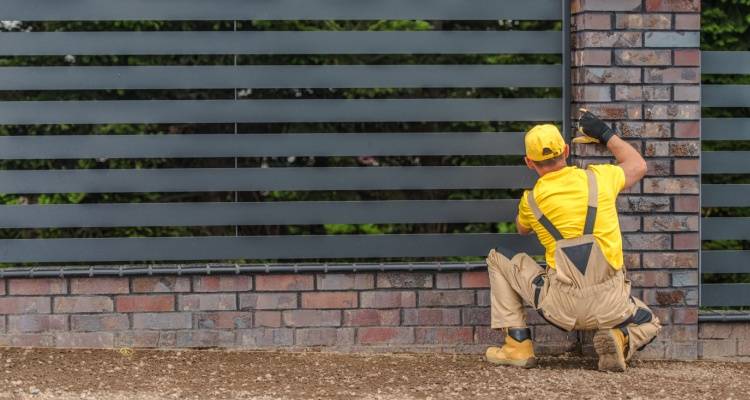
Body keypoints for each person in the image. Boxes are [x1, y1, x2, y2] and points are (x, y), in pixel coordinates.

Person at [484, 110, 661, 372]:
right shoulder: (600, 178)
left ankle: (517, 344)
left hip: (560, 307)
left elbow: (522, 229)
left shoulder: (531, 201)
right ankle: (621, 337)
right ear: (566, 151)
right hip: (612, 305)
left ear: (529, 162)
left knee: (497, 257)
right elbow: (638, 165)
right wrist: (604, 133)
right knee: (650, 322)